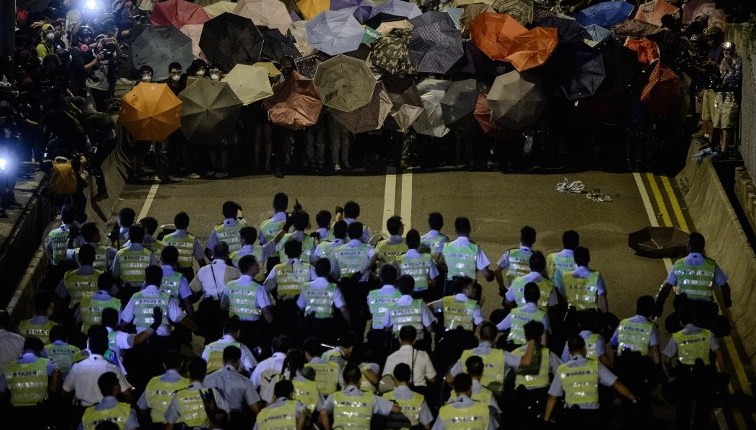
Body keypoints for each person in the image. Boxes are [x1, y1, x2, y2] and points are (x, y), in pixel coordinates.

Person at [542, 335, 638, 427]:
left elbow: (553, 397)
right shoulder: (595, 365)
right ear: (584, 349)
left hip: (571, 416)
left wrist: (546, 419)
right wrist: (634, 399)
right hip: (592, 416)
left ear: (569, 351)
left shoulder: (562, 369)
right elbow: (617, 385)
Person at [662, 305, 725, 430]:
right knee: (703, 410)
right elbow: (719, 354)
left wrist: (671, 371)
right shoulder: (707, 334)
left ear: (681, 321)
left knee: (683, 410)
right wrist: (722, 373)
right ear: (695, 319)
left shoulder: (677, 336)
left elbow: (667, 360)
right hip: (704, 375)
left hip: (685, 376)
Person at [654, 232, 731, 326]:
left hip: (685, 310)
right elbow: (725, 287)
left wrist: (659, 305)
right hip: (705, 311)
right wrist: (727, 302)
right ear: (703, 248)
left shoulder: (679, 264)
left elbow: (667, 287)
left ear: (689, 246)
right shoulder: (712, 265)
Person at [63, 325, 133, 409]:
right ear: (107, 345)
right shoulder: (112, 368)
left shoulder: (77, 366)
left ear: (89, 344)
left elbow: (65, 391)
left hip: (82, 412)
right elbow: (127, 394)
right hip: (105, 412)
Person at [319, 363, 400, 430]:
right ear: (359, 380)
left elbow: (323, 413)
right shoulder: (371, 397)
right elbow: (396, 409)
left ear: (344, 381)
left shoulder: (334, 396)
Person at [511, 321, 561, 427]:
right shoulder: (548, 354)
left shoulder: (515, 353)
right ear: (540, 335)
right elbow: (562, 373)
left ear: (525, 336)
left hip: (520, 399)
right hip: (541, 399)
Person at [3, 336, 61, 427]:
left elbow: (1, 390)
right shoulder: (46, 363)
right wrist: (52, 392)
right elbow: (56, 372)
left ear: (24, 349)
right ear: (40, 350)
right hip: (38, 411)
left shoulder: (9, 367)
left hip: (16, 413)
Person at [190, 241, 241, 344]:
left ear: (213, 254)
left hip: (207, 308)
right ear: (227, 255)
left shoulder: (203, 270)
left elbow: (192, 290)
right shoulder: (235, 272)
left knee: (209, 340)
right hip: (225, 310)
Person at [220, 255, 274, 350]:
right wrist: (272, 327)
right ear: (251, 267)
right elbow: (266, 311)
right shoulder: (258, 288)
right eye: (256, 265)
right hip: (252, 329)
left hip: (234, 327)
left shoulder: (229, 285)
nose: (258, 266)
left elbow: (223, 306)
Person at [204, 346, 264, 429]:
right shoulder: (244, 381)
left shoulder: (207, 379)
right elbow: (256, 409)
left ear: (223, 360)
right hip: (235, 423)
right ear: (238, 361)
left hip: (215, 422)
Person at [164, 357, 230, 430]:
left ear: (188, 373)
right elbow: (226, 416)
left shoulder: (179, 395)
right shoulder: (213, 392)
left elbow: (170, 425)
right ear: (205, 373)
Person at [297, 259, 351, 346]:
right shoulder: (333, 288)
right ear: (329, 270)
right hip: (326, 326)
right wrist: (349, 323)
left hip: (309, 325)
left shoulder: (306, 286)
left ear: (315, 271)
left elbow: (300, 306)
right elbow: (343, 308)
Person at [439, 217, 494, 294]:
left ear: (456, 231)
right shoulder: (475, 248)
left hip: (450, 287)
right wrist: (491, 275)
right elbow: (486, 274)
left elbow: (441, 263)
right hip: (469, 288)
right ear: (469, 230)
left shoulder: (447, 246)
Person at [137, 350, 189, 430]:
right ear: (181, 364)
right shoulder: (187, 383)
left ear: (164, 365)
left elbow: (141, 407)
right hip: (178, 426)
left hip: (156, 427)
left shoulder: (153, 382)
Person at [383, 275, 435, 351]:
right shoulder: (421, 304)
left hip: (398, 346)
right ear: (413, 287)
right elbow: (430, 328)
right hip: (418, 345)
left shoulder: (391, 307)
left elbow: (386, 327)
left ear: (399, 289)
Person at [383, 326, 437, 396]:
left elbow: (386, 380)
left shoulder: (391, 358)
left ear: (399, 339)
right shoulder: (423, 355)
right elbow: (433, 379)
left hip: (398, 395)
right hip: (420, 394)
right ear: (414, 340)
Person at [554, 246, 608, 313]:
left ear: (575, 259)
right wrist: (606, 315)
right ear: (588, 259)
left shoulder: (566, 276)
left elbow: (562, 295)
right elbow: (602, 297)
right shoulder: (596, 276)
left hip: (572, 315)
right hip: (590, 316)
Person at [497, 282, 550, 348]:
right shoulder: (543, 316)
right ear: (538, 296)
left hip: (515, 354)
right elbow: (544, 343)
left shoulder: (514, 313)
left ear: (524, 296)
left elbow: (497, 328)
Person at [112, 223, 158, 298]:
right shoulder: (149, 254)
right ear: (143, 237)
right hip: (144, 293)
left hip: (126, 293)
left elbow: (115, 275)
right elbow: (155, 274)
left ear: (129, 236)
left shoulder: (120, 253)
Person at [383, 363, 434, 430]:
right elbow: (427, 426)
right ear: (409, 378)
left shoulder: (385, 397)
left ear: (394, 378)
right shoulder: (420, 399)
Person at [713, 41, 742, 156]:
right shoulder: (723, 60)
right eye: (724, 50)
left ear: (733, 50)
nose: (726, 52)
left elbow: (736, 78)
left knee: (726, 123)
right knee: (719, 122)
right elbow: (721, 76)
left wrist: (728, 66)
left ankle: (725, 150)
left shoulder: (737, 60)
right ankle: (721, 147)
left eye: (728, 50)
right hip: (721, 93)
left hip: (731, 94)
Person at [161, 211, 206, 281]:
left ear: (175, 224)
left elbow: (160, 257)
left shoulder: (166, 238)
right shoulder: (193, 240)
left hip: (170, 273)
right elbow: (201, 261)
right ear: (187, 224)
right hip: (187, 274)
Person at [397, 229, 440, 301]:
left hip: (406, 296)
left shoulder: (399, 259)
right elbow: (434, 282)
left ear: (406, 243)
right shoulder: (428, 258)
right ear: (419, 243)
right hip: (425, 297)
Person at [495, 225, 537, 293]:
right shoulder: (536, 258)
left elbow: (497, 270)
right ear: (534, 240)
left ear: (520, 239)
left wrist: (502, 288)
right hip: (529, 296)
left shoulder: (510, 253)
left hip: (511, 296)